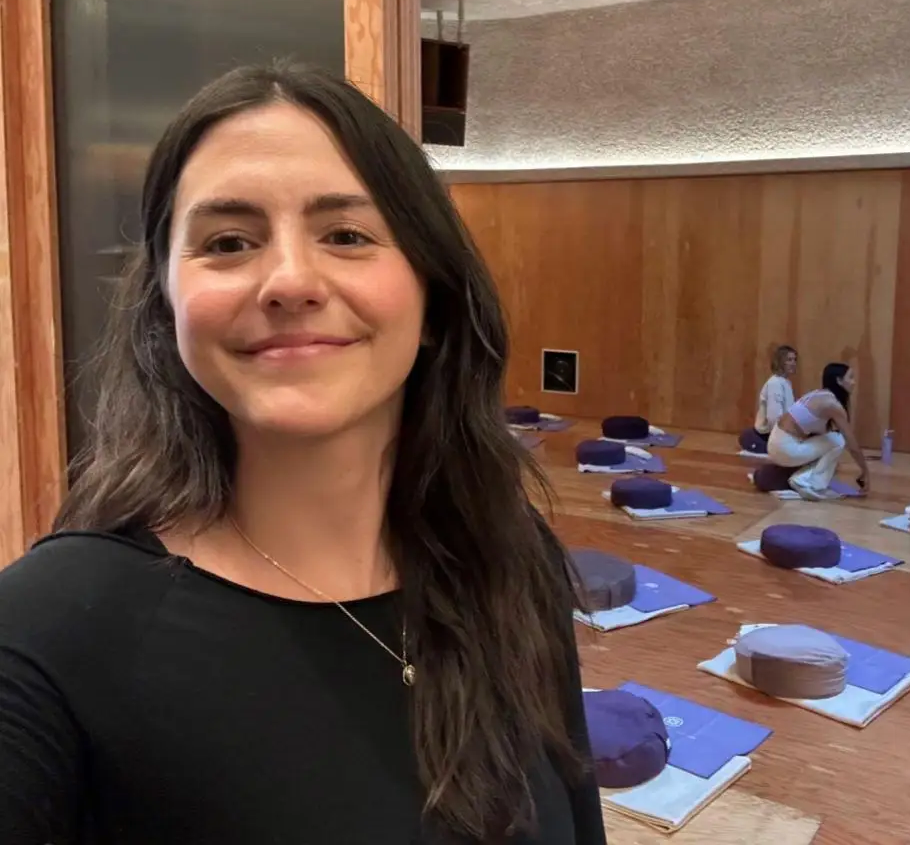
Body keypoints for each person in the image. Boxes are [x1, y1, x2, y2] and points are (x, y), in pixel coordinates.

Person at [0, 62, 604, 843]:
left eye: (347, 235)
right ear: (168, 308)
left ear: (431, 300)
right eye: (228, 241)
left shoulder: (509, 556)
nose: (289, 280)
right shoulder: (47, 632)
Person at [768, 363, 871, 500]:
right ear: (839, 381)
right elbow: (851, 443)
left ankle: (804, 479)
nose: (854, 382)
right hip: (784, 447)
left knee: (832, 439)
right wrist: (865, 471)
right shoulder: (832, 405)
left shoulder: (819, 395)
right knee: (838, 440)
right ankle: (808, 483)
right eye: (850, 378)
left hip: (777, 443)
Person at [741, 344, 797, 454]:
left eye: (795, 360)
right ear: (780, 362)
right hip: (768, 435)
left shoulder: (786, 382)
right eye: (789, 360)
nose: (793, 363)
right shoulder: (775, 383)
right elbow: (774, 417)